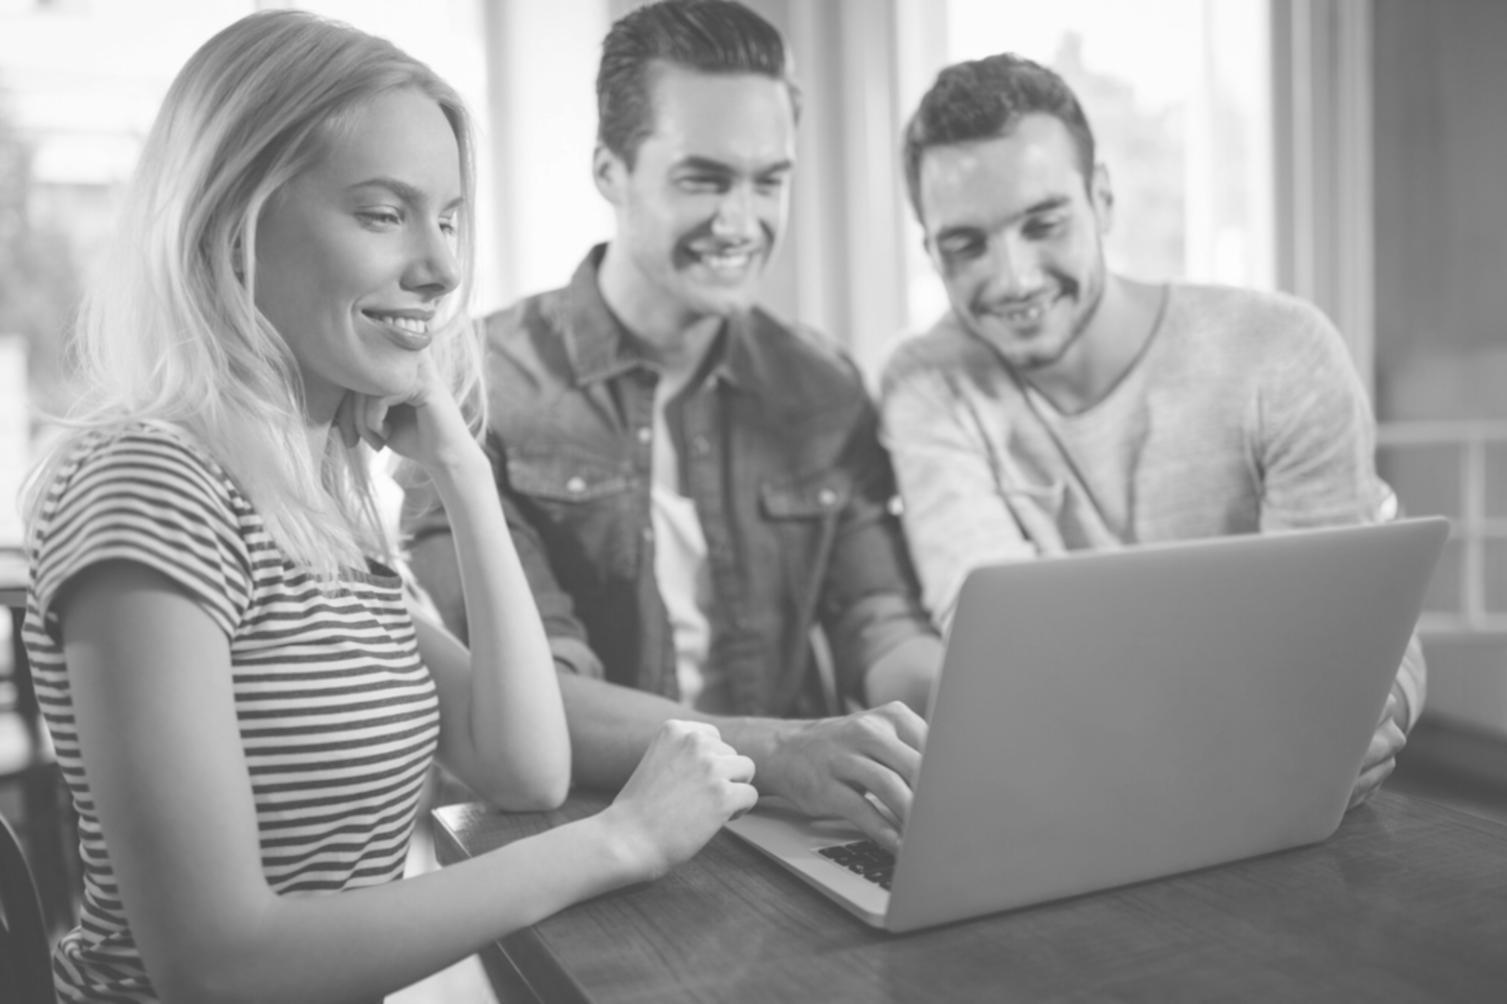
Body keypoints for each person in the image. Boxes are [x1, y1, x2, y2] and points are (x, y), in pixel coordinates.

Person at [21, 11, 758, 1002]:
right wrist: (617, 840)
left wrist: (462, 470)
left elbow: (521, 763)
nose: (443, 266)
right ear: (233, 219)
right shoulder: (152, 483)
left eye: (448, 216)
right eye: (383, 213)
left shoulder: (317, 500)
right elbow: (218, 962)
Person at [402, 0, 942, 853]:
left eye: (768, 180)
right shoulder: (476, 388)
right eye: (703, 179)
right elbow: (531, 695)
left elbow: (877, 620)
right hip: (580, 838)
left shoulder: (821, 384)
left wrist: (954, 711)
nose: (741, 223)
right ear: (609, 170)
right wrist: (777, 750)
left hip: (796, 823)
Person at [880, 52, 1424, 809]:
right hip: (1072, 790)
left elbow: (1344, 634)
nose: (1011, 278)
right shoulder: (924, 383)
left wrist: (1375, 705)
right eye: (964, 245)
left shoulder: (1282, 351)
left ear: (1101, 200)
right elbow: (997, 648)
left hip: (1272, 786)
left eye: (1043, 223)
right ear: (929, 250)